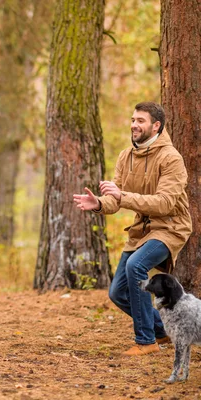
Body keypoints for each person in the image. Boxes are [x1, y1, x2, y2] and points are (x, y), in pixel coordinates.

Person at [73, 102, 192, 356]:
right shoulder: (126, 156)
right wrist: (99, 204)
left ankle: (145, 341)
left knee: (135, 265)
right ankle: (163, 332)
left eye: (141, 121)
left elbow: (165, 203)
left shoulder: (171, 158)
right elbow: (115, 198)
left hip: (171, 227)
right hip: (143, 230)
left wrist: (122, 196)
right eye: (133, 119)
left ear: (156, 126)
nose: (134, 125)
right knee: (117, 293)